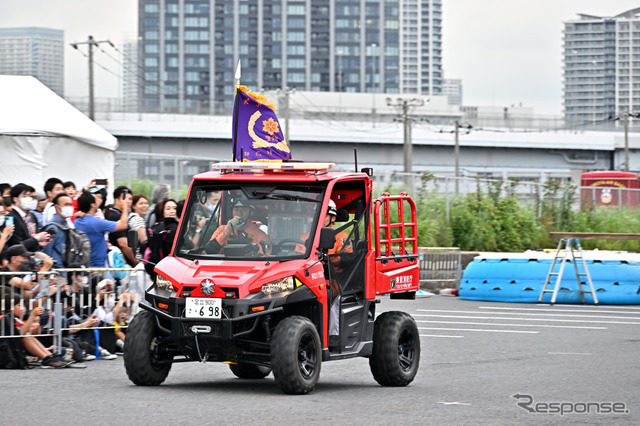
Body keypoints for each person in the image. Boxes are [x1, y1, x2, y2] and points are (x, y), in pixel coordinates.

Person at [74, 191, 128, 267]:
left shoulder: (77, 221)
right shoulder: (97, 223)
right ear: (92, 205)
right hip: (97, 265)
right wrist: (125, 207)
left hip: (83, 263)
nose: (99, 200)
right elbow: (123, 225)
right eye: (96, 199)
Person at [205, 198, 271, 255]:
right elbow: (209, 250)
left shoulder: (260, 235)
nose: (239, 213)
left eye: (244, 210)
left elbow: (266, 260)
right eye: (236, 210)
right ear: (232, 212)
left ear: (251, 213)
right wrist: (227, 231)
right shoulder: (222, 229)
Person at [6, 183, 51, 252]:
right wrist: (36, 239)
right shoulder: (10, 218)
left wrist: (40, 240)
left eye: (29, 196)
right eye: (24, 196)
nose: (28, 198)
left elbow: (34, 235)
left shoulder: (32, 216)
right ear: (15, 199)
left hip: (32, 254)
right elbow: (14, 244)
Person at [145, 198, 179, 278]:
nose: (172, 211)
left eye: (175, 208)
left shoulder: (181, 227)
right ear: (162, 212)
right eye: (168, 209)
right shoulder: (157, 229)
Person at [105, 186, 138, 267]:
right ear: (117, 200)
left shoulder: (120, 215)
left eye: (130, 199)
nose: (129, 202)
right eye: (126, 198)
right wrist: (134, 261)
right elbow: (123, 244)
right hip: (122, 264)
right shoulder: (115, 216)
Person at [41, 193, 75, 268]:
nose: (69, 207)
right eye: (66, 204)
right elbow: (47, 250)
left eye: (70, 204)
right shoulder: (52, 228)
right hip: (56, 271)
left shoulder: (68, 225)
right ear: (56, 207)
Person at [128, 194, 149, 259]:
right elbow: (144, 241)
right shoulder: (137, 219)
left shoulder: (130, 217)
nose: (144, 206)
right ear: (134, 206)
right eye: (141, 203)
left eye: (146, 203)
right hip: (139, 257)